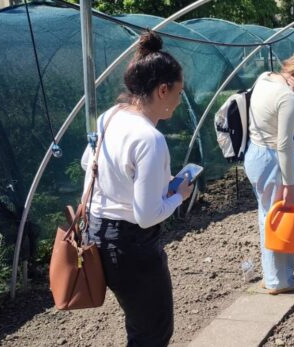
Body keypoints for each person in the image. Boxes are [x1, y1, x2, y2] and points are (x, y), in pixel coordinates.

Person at [81, 31, 192, 346]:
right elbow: (147, 216)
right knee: (153, 333)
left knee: (141, 327)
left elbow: (86, 163)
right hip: (132, 244)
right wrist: (177, 196)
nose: (179, 99)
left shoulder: (110, 116)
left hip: (99, 234)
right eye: (179, 92)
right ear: (162, 90)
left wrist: (124, 186)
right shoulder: (149, 138)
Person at [245, 53, 294, 295]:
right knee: (281, 219)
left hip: (254, 154)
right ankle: (280, 280)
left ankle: (274, 275)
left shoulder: (265, 78)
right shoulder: (288, 98)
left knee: (267, 216)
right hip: (272, 159)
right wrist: (289, 183)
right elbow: (284, 144)